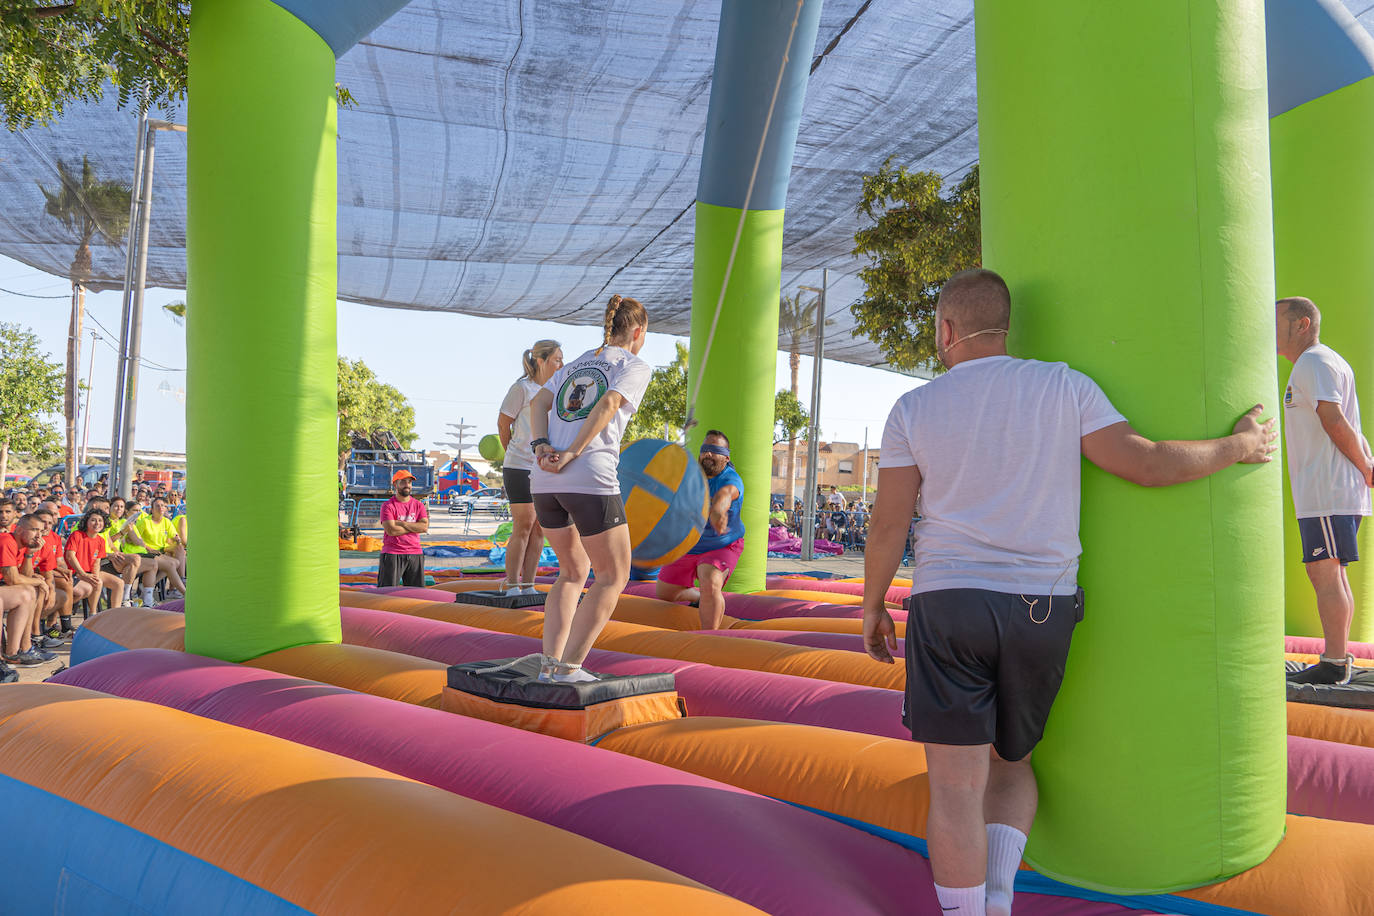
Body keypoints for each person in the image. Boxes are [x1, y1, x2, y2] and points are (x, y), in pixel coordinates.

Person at [861, 268, 1276, 916]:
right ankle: (998, 897)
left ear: (946, 330)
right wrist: (1239, 444)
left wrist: (872, 605)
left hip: (950, 603)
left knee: (955, 788)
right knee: (1013, 763)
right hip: (1041, 606)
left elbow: (888, 524)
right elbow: (1147, 462)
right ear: (1005, 327)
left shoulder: (913, 409)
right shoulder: (1062, 385)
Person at [529, 293, 651, 683]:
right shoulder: (633, 365)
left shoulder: (577, 362)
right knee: (613, 576)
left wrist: (541, 446)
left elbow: (537, 404)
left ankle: (549, 666)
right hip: (588, 477)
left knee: (572, 571)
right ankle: (569, 668)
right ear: (637, 332)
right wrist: (573, 452)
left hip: (543, 479)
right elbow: (609, 404)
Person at [1276, 297, 1374, 685]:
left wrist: (1365, 466)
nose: (1268, 330)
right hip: (1329, 489)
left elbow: (1334, 419)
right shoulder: (1322, 362)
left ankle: (1334, 663)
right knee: (1329, 573)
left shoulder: (1313, 362)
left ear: (1301, 324)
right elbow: (1349, 422)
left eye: (1275, 321)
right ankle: (1337, 659)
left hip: (1327, 488)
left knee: (1325, 573)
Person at [655, 431, 745, 630]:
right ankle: (698, 596)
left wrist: (718, 510)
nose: (708, 454)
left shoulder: (730, 478)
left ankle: (709, 638)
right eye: (705, 449)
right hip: (691, 544)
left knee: (710, 580)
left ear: (726, 457)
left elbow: (726, 494)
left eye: (715, 450)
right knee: (664, 592)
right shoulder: (691, 476)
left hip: (722, 545)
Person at [497, 339, 564, 596]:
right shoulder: (522, 388)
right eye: (557, 359)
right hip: (519, 466)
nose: (561, 364)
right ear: (541, 360)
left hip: (542, 467)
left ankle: (528, 584)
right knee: (523, 525)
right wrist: (512, 452)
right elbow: (503, 423)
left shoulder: (555, 392)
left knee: (539, 528)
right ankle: (512, 584)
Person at [0, 514, 58, 666]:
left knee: (29, 591)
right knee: (28, 591)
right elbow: (12, 579)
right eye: (34, 530)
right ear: (19, 530)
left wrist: (29, 554)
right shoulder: (7, 541)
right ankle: (19, 649)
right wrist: (40, 582)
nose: (39, 535)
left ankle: (16, 651)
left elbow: (24, 576)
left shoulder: (22, 546)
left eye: (40, 531)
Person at [66, 509, 126, 617]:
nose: (97, 523)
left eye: (100, 520)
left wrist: (95, 576)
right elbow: (70, 556)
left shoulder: (100, 540)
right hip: (76, 572)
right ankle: (93, 614)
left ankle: (115, 615)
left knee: (119, 583)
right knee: (97, 583)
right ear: (86, 522)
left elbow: (96, 563)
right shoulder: (77, 535)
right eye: (93, 520)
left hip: (89, 572)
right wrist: (83, 574)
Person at [30, 505, 74, 646]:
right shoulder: (30, 539)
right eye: (43, 522)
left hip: (42, 574)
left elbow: (55, 563)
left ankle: (55, 628)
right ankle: (38, 633)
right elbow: (32, 568)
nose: (46, 525)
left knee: (63, 588)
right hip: (28, 577)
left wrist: (64, 570)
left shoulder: (54, 537)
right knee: (46, 588)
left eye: (49, 522)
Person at [378, 470, 429, 587]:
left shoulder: (418, 505)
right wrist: (414, 526)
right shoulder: (388, 506)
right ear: (395, 484)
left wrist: (401, 523)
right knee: (386, 592)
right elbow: (391, 531)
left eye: (409, 482)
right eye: (403, 482)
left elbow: (424, 527)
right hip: (392, 553)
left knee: (416, 594)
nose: (407, 485)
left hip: (415, 553)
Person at [132, 496, 188, 601]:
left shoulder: (166, 521)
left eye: (163, 506)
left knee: (179, 549)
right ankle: (184, 592)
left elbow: (174, 537)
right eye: (157, 506)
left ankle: (181, 579)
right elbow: (134, 539)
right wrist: (148, 548)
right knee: (174, 563)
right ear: (152, 509)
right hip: (147, 552)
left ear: (166, 508)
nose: (160, 508)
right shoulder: (145, 522)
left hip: (161, 550)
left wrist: (177, 540)